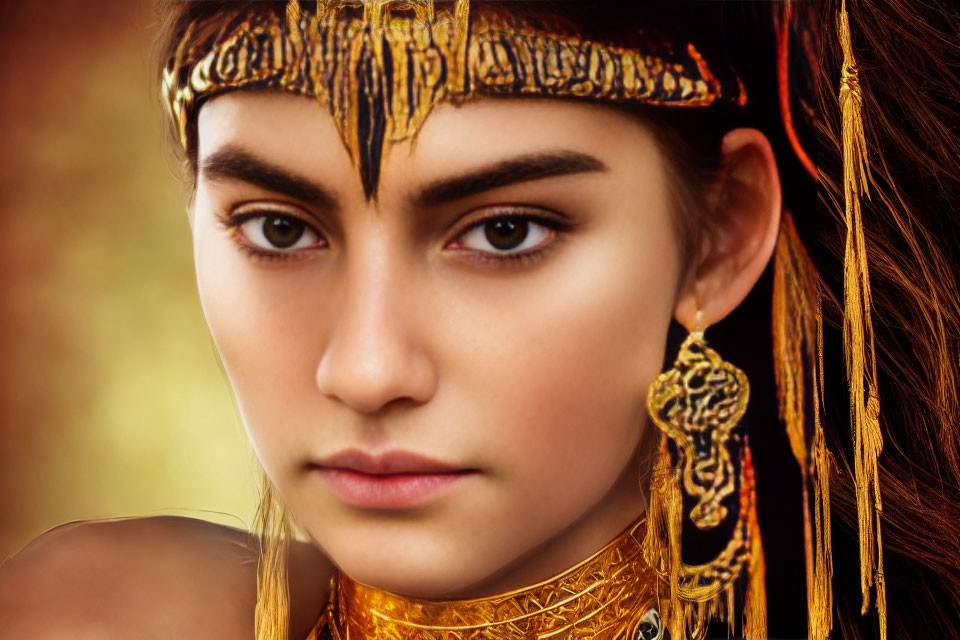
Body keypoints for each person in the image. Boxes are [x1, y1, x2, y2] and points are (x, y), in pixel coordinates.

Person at [1, 1, 958, 639]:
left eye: (504, 232)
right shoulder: (93, 616)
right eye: (279, 227)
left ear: (719, 237)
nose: (367, 370)